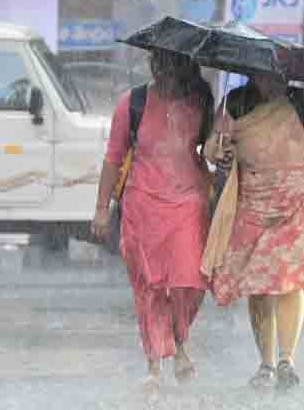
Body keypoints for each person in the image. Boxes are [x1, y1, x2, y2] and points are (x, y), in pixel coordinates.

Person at [205, 72, 304, 393]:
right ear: (253, 76)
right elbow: (210, 149)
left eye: (276, 75)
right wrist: (218, 149)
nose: (271, 82)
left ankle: (286, 360)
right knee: (258, 284)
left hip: (298, 201)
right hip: (252, 203)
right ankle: (266, 364)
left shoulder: (301, 100)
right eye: (264, 76)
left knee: (289, 279)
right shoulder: (236, 103)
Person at [91, 49, 214, 391]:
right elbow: (113, 158)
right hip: (142, 206)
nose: (163, 71)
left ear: (184, 65)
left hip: (189, 204)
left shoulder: (201, 101)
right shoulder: (132, 103)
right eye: (158, 63)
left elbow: (211, 146)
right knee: (150, 288)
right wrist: (102, 207)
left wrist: (221, 146)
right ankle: (155, 364)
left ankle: (180, 340)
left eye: (170, 63)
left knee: (189, 281)